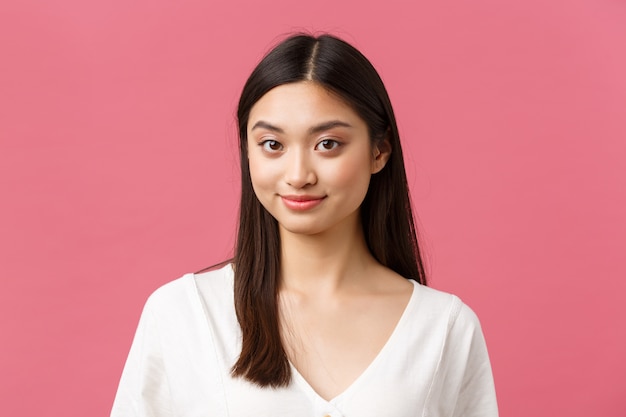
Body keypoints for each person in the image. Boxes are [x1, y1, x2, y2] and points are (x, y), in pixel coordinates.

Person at [111, 33, 498, 417]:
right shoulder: (183, 314)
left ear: (379, 151)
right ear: (248, 151)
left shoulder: (445, 328)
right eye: (273, 145)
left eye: (327, 144)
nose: (298, 175)